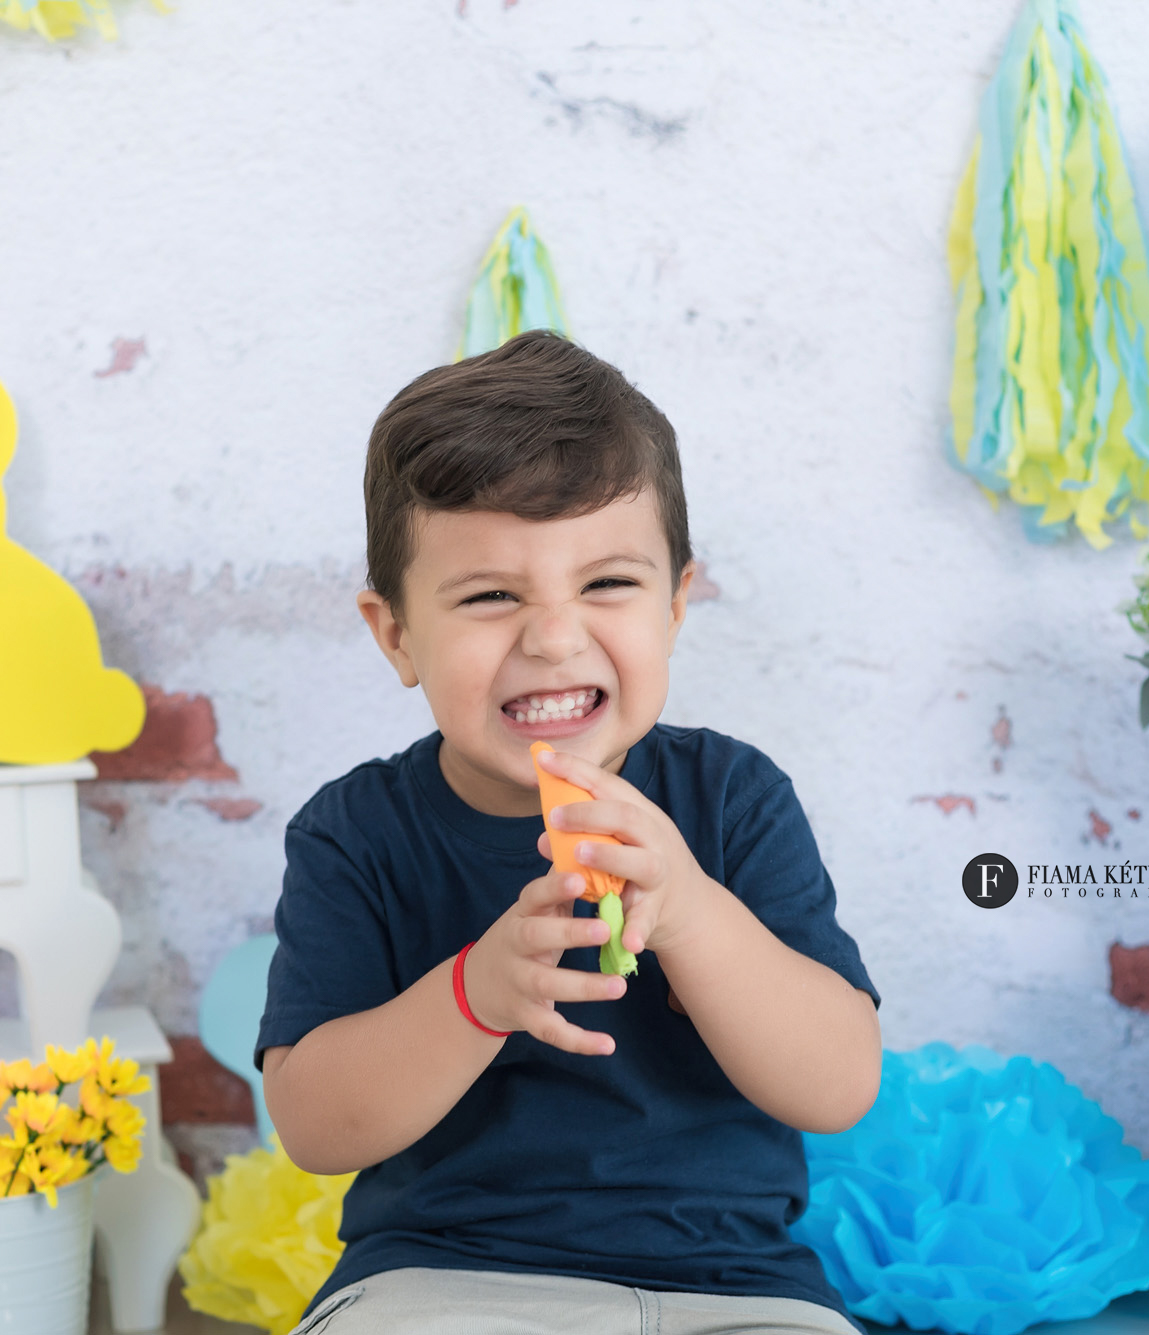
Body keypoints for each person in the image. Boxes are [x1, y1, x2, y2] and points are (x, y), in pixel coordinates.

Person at [258, 330, 882, 1335]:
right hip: (446, 1278)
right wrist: (477, 992)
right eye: (490, 596)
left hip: (733, 1286)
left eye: (606, 584)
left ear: (675, 603)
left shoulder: (731, 798)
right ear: (396, 635)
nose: (552, 637)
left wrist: (689, 911)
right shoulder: (354, 833)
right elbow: (315, 1126)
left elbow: (837, 1084)